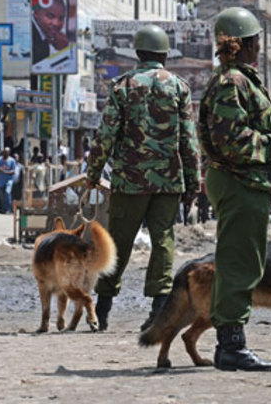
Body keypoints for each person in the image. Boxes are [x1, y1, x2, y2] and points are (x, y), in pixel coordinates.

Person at [198, 7, 271, 371]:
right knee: (239, 262)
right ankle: (231, 347)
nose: (259, 47)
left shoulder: (240, 81)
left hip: (246, 182)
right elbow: (231, 140)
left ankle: (231, 344)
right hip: (239, 181)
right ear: (245, 44)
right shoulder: (232, 84)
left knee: (243, 260)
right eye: (256, 41)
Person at [86, 24, 200, 332]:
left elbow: (106, 134)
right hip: (168, 181)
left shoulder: (123, 85)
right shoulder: (178, 87)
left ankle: (104, 309)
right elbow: (189, 141)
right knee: (163, 240)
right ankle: (158, 309)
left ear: (137, 53)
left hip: (130, 180)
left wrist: (93, 173)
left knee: (119, 242)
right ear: (165, 54)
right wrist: (193, 182)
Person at [32, 0, 68, 64]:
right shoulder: (31, 36)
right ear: (36, 13)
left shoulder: (43, 37)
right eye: (50, 16)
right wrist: (61, 51)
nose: (56, 23)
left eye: (61, 18)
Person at [0, 148, 16, 213]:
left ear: (9, 152)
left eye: (7, 152)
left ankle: (9, 209)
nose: (5, 153)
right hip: (0, 181)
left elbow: (13, 171)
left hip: (9, 180)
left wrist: (4, 171)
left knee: (7, 192)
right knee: (2, 196)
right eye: (4, 152)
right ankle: (4, 209)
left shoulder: (12, 160)